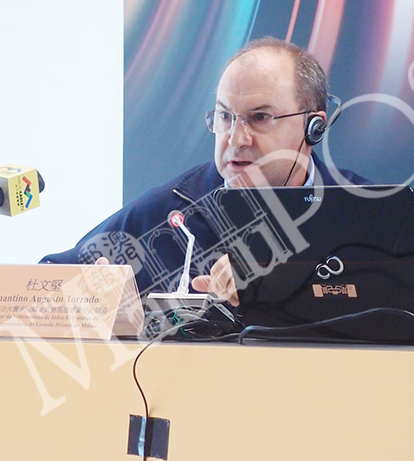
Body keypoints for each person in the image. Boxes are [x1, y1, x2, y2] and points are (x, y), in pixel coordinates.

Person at [40, 37, 369, 303]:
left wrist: (284, 287)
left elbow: (396, 322)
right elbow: (48, 280)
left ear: (313, 127)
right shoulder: (168, 211)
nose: (235, 139)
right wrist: (89, 302)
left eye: (260, 118)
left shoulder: (363, 210)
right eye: (225, 116)